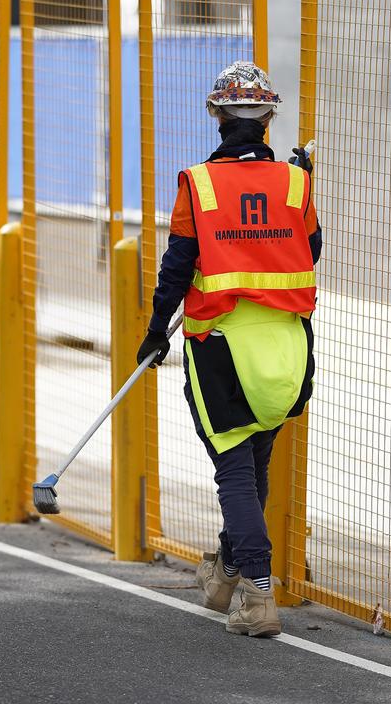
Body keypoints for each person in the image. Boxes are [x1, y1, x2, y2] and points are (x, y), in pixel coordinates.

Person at [136, 61, 321, 638]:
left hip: (220, 345)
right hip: (287, 347)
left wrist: (154, 329)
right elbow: (310, 250)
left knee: (233, 472)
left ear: (215, 115)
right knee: (254, 462)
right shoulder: (295, 182)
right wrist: (300, 180)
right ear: (268, 118)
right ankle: (223, 576)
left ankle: (259, 596)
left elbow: (178, 265)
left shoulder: (197, 182)